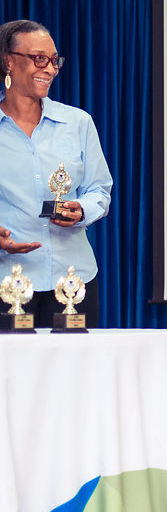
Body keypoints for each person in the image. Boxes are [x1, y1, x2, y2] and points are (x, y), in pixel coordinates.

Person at [0, 19, 112, 326]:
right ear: (8, 61)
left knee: (78, 360)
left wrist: (81, 209)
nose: (49, 69)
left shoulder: (77, 123)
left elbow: (99, 189)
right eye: (39, 59)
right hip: (8, 282)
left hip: (73, 281)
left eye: (54, 60)